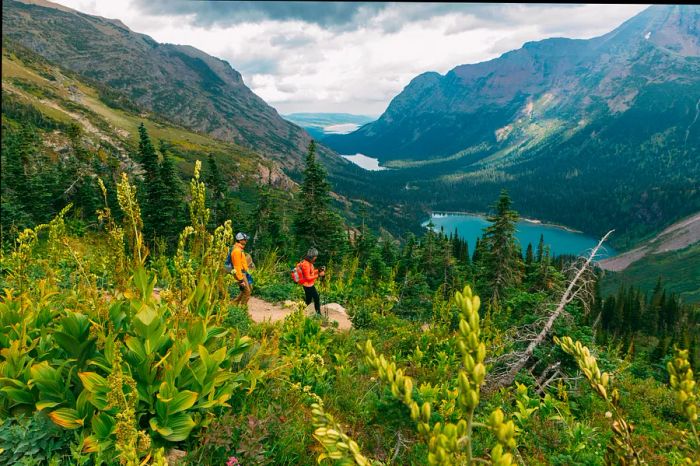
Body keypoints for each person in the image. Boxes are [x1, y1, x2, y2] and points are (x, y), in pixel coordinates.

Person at [299, 247, 325, 317]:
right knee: (316, 298)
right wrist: (319, 275)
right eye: (315, 256)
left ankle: (301, 311)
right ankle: (318, 315)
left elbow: (311, 272)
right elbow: (308, 277)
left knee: (308, 299)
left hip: (307, 285)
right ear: (312, 256)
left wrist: (318, 270)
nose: (316, 258)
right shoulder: (306, 264)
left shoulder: (308, 262)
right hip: (308, 285)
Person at [231, 232, 251, 306]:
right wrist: (240, 280)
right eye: (244, 239)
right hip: (240, 274)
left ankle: (234, 304)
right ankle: (243, 310)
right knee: (247, 291)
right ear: (240, 240)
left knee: (244, 290)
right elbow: (237, 266)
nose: (246, 241)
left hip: (243, 273)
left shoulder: (240, 249)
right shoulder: (236, 251)